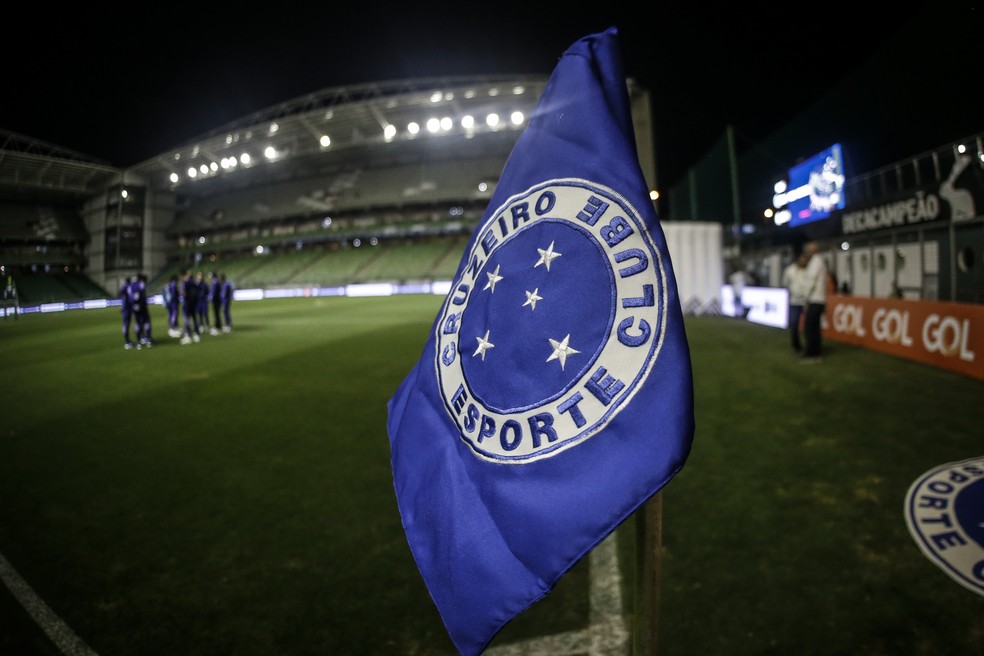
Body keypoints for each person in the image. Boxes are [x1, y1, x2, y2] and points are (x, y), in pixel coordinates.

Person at [801, 241, 829, 363]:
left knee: (810, 329)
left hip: (815, 300)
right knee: (815, 328)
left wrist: (805, 299)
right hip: (819, 299)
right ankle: (816, 354)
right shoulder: (819, 261)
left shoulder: (815, 262)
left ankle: (811, 354)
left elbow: (811, 281)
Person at [781, 246, 810, 353]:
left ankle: (808, 346)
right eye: (803, 258)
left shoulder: (808, 271)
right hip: (794, 301)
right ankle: (796, 345)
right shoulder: (789, 271)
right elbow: (786, 284)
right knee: (794, 324)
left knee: (808, 325)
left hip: (806, 301)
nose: (804, 261)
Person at [131, 273, 153, 349]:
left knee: (137, 323)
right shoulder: (141, 284)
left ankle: (138, 342)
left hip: (135, 307)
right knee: (147, 322)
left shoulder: (132, 285)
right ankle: (148, 340)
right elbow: (143, 296)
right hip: (142, 307)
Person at [179, 269, 201, 345]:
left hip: (187, 303)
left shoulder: (185, 282)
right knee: (195, 318)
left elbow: (183, 293)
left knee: (187, 319)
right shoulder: (193, 282)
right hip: (194, 303)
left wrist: (181, 292)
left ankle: (188, 335)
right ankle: (196, 334)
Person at [120, 276, 135, 349]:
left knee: (126, 324)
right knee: (126, 325)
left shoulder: (123, 287)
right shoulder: (129, 287)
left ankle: (127, 341)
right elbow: (130, 298)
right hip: (127, 309)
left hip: (125, 308)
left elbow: (121, 294)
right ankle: (127, 342)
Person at [209, 271, 223, 335]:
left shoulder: (215, 282)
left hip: (216, 300)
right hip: (218, 300)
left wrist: (211, 298)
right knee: (217, 314)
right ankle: (218, 327)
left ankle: (218, 328)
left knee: (216, 314)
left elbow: (213, 292)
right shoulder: (216, 281)